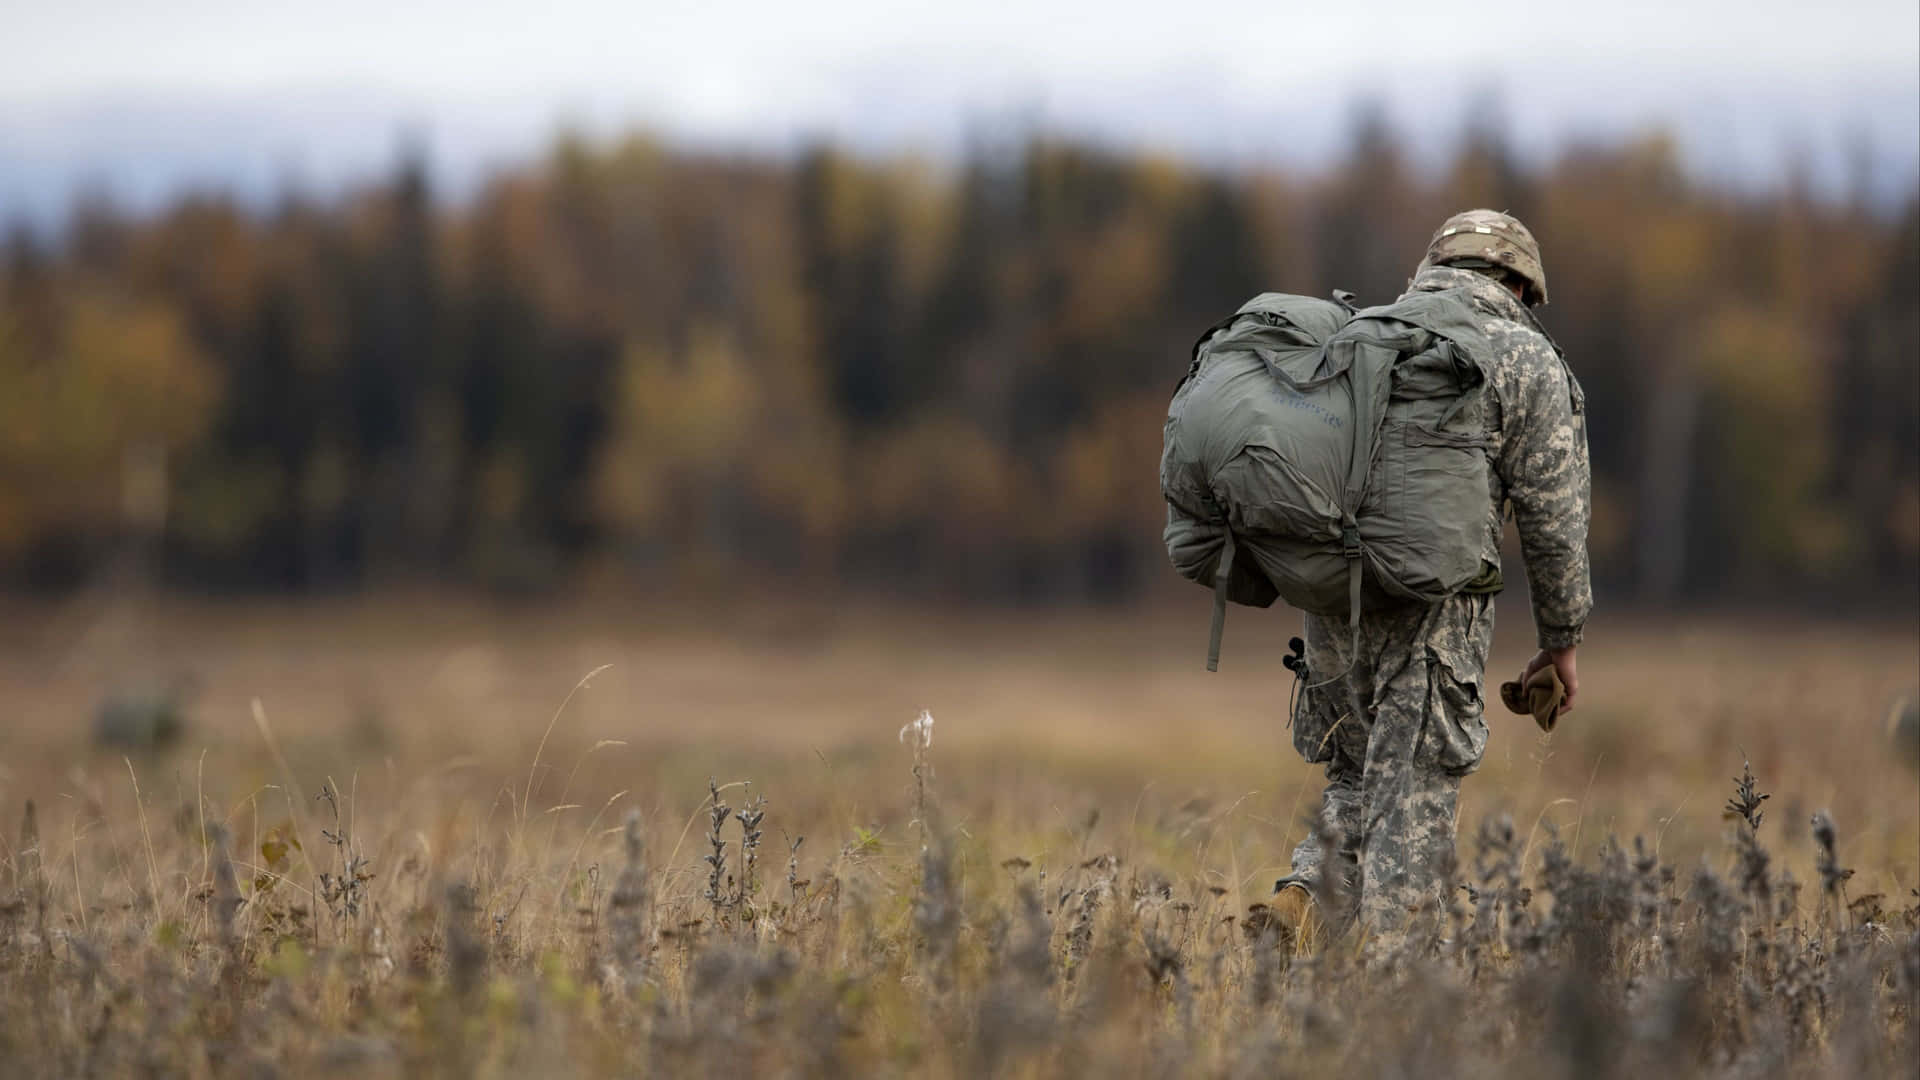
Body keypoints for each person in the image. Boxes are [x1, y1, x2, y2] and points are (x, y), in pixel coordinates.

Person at [1272, 209, 1591, 956]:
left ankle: (1304, 903)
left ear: (1434, 268)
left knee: (1355, 777)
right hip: (1434, 617)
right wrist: (1561, 641)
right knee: (1411, 800)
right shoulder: (1525, 357)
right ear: (1520, 285)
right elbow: (1554, 520)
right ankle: (1398, 993)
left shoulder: (1363, 334)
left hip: (1335, 604)